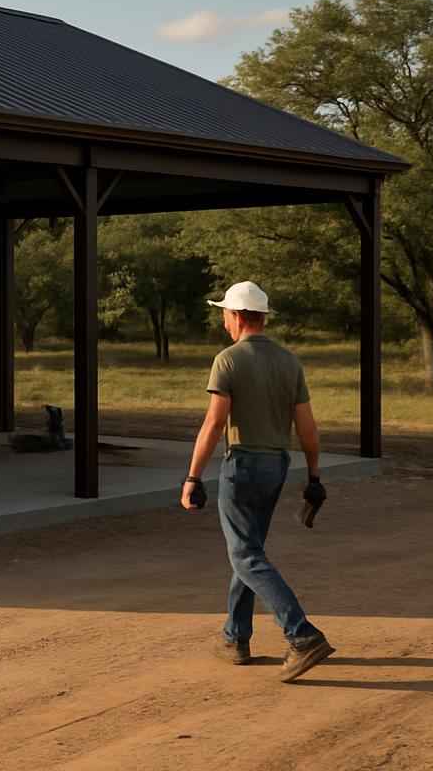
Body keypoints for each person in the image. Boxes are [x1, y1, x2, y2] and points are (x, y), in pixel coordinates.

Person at [180, 281, 334, 683]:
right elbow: (307, 427)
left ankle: (302, 634)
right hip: (276, 466)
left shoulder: (227, 360)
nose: (223, 321)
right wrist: (314, 476)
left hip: (243, 464)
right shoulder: (289, 362)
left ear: (235, 316)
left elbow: (214, 423)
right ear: (262, 317)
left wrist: (193, 476)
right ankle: (236, 637)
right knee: (249, 550)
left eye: (224, 314)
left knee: (245, 555)